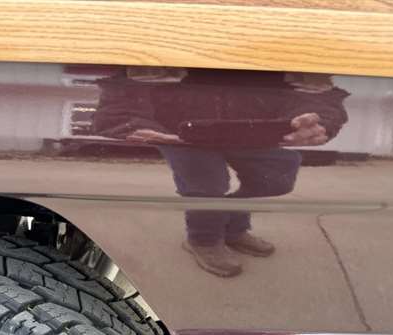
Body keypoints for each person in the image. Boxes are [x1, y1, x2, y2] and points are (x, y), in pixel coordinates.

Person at [94, 69, 349, 277]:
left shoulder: (276, 38)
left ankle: (233, 230)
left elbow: (315, 91)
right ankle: (203, 240)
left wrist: (314, 121)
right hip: (179, 133)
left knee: (277, 174)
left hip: (252, 129)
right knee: (207, 184)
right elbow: (123, 95)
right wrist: (136, 125)